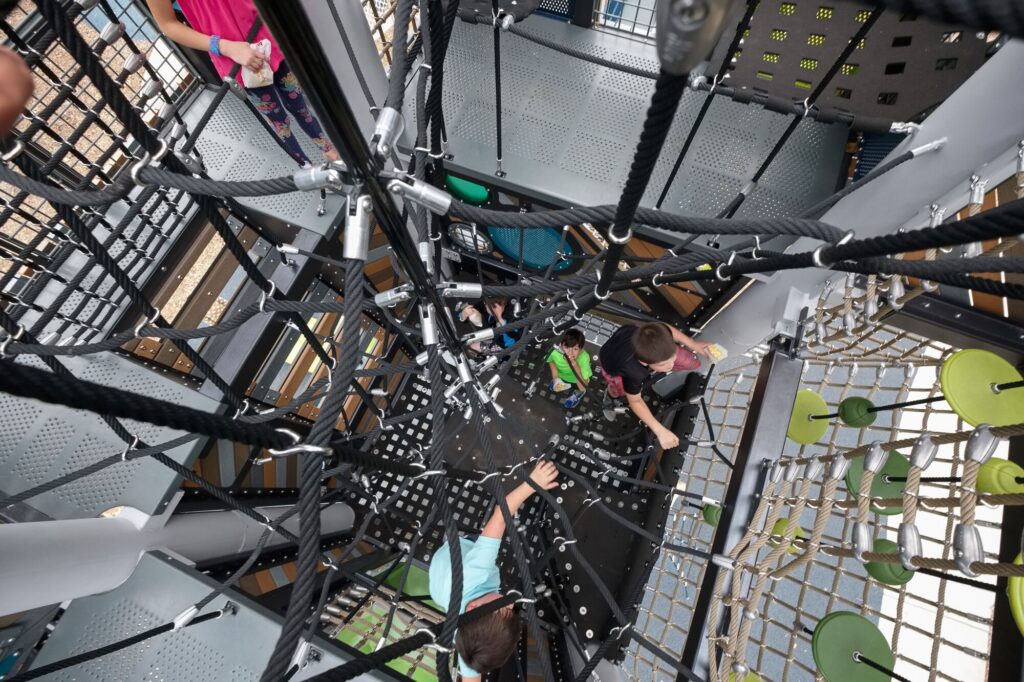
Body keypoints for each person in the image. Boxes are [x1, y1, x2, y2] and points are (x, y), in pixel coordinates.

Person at [146, 0, 337, 166]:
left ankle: (328, 150)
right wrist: (225, 47)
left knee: (298, 103)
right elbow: (168, 24)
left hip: (264, 33)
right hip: (236, 58)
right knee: (279, 120)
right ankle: (304, 164)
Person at [428, 460, 559, 680]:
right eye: (512, 610)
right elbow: (471, 676)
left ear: (473, 607)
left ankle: (473, 538)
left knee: (492, 532)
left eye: (501, 607)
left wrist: (533, 482)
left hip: (457, 551)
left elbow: (500, 515)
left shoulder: (475, 572)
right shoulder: (467, 641)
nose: (510, 602)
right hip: (438, 584)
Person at [598, 322, 712, 450]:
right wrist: (660, 430)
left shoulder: (656, 333)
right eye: (664, 365)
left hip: (629, 337)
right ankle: (610, 395)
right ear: (644, 362)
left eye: (672, 358)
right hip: (613, 365)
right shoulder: (633, 371)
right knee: (620, 390)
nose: (670, 366)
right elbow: (635, 401)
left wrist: (692, 343)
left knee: (691, 362)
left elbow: (666, 327)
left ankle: (664, 360)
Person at [546, 328, 591, 409]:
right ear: (561, 345)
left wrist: (575, 365)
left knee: (581, 390)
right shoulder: (556, 351)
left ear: (581, 350)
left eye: (575, 349)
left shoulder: (584, 357)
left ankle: (577, 394)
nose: (570, 353)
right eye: (566, 347)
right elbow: (550, 361)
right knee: (556, 383)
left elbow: (583, 386)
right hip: (561, 376)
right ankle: (556, 382)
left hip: (577, 381)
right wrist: (555, 377)